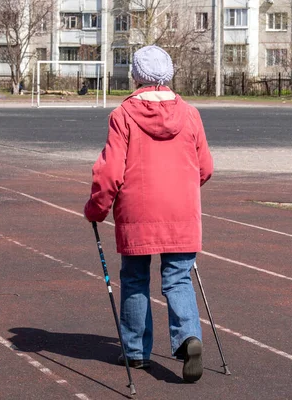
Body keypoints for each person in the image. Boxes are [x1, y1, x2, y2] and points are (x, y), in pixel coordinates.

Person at [83, 45, 213, 383]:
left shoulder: (123, 115)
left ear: (136, 77)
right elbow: (205, 167)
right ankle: (187, 337)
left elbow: (110, 172)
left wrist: (97, 207)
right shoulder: (190, 113)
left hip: (138, 209)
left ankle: (136, 351)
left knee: (135, 278)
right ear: (169, 74)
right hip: (182, 210)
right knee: (178, 278)